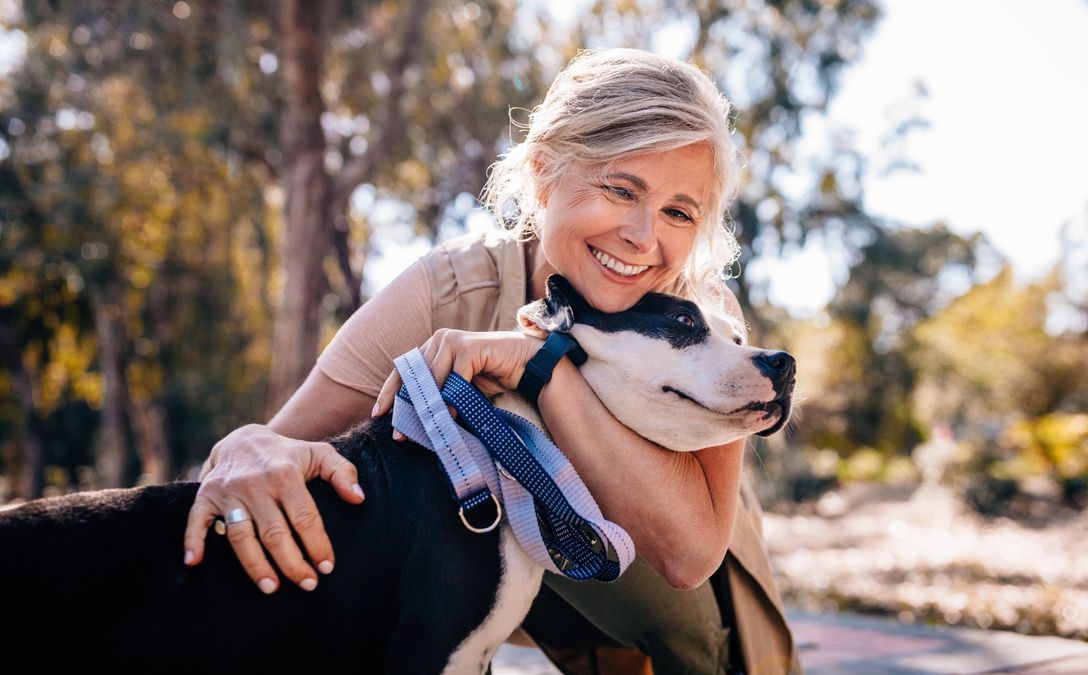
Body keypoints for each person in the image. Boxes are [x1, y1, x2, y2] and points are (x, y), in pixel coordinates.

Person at [183, 48, 800, 675]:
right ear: (543, 171)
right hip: (481, 564)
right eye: (621, 189)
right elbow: (275, 447)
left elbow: (688, 556)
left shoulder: (705, 318)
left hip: (667, 605)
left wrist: (541, 365)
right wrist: (245, 450)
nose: (644, 238)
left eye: (678, 212)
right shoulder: (450, 290)